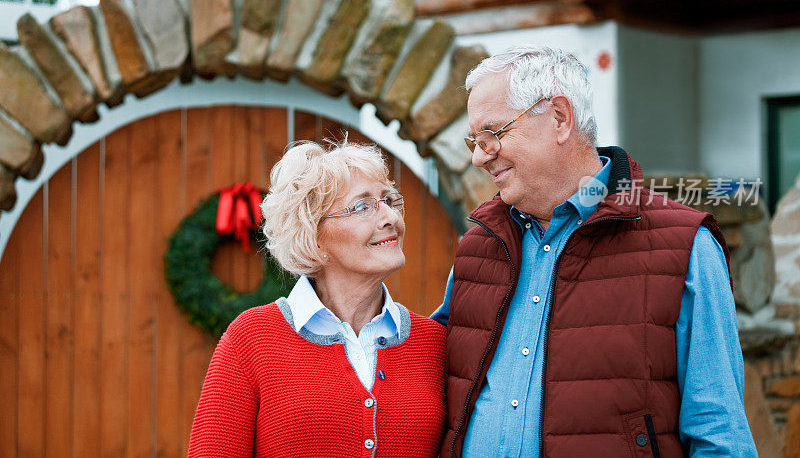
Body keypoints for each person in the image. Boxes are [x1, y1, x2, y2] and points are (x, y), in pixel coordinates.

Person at [432, 46, 757, 457]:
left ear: (559, 118)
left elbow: (720, 435)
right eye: (473, 141)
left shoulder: (685, 245)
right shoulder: (478, 245)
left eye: (493, 134)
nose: (479, 157)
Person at [188, 140, 447, 457]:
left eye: (389, 201)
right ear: (313, 237)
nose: (390, 217)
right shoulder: (252, 339)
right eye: (363, 206)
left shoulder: (434, 342)